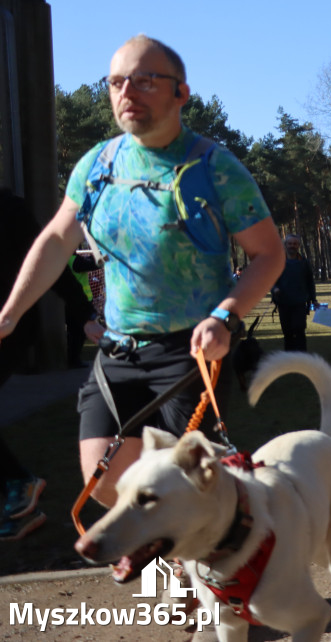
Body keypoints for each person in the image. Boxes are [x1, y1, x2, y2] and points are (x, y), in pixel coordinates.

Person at [0, 36, 284, 507]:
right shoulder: (97, 166)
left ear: (181, 93)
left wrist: (226, 316)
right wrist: (10, 313)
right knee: (106, 483)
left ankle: (209, 553)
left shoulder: (216, 169)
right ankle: (164, 554)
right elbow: (55, 241)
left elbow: (270, 255)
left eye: (145, 80)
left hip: (189, 353)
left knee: (188, 497)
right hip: (119, 351)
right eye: (116, 82)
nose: (127, 92)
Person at [272, 234, 317, 352]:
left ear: (299, 246)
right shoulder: (278, 262)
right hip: (284, 303)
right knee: (287, 333)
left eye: (295, 244)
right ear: (285, 245)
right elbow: (271, 280)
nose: (292, 246)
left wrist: (314, 299)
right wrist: (275, 289)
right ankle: (289, 358)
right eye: (290, 243)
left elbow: (310, 282)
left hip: (300, 303)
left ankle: (302, 357)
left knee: (299, 330)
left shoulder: (304, 263)